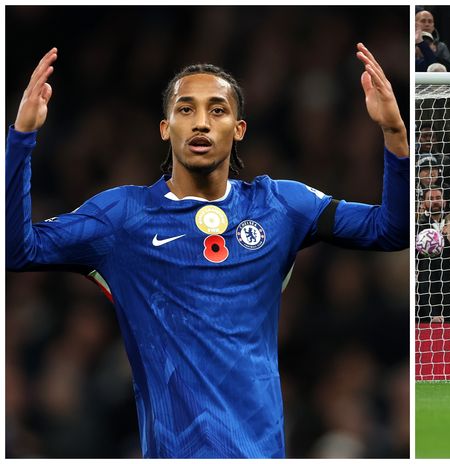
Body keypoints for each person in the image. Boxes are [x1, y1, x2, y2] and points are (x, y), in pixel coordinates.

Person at [6, 45, 409, 458]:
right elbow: (18, 250)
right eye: (186, 109)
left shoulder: (279, 207)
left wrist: (394, 133)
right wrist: (21, 139)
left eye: (217, 110)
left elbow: (391, 230)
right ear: (165, 128)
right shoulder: (123, 218)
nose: (201, 122)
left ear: (239, 128)